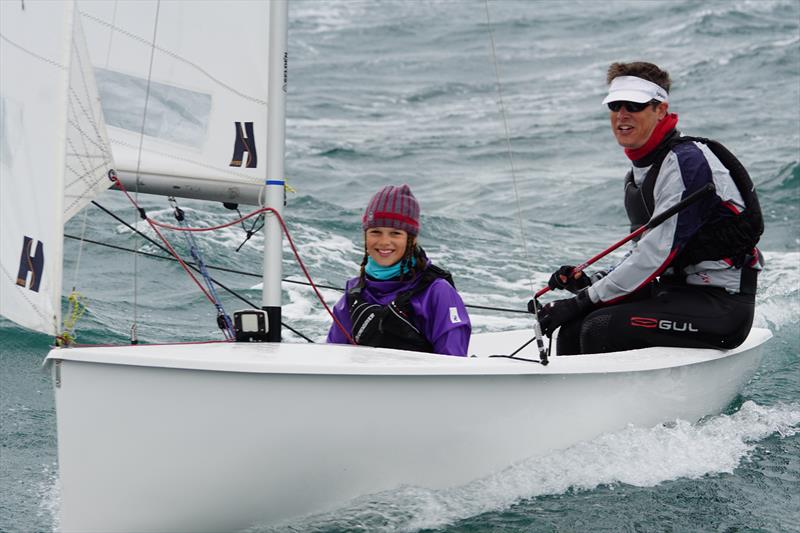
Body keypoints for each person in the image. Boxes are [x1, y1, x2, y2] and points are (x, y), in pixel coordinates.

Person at [534, 61, 764, 355]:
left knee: (598, 326)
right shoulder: (640, 173)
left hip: (722, 304)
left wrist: (582, 300)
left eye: (635, 105)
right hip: (672, 294)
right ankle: (568, 400)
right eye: (615, 105)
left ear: (661, 110)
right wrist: (589, 281)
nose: (622, 115)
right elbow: (642, 254)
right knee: (575, 327)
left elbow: (655, 254)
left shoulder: (687, 164)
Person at [327, 184, 471, 356]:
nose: (384, 242)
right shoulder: (355, 292)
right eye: (375, 232)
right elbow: (334, 356)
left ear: (412, 239)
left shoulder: (437, 292)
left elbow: (453, 363)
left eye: (395, 233)